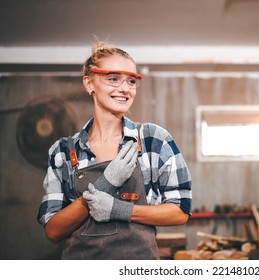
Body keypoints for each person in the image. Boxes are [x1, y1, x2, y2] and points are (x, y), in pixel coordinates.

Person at [37, 40, 192, 260]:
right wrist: (104, 186)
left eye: (131, 81)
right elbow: (53, 231)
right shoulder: (63, 151)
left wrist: (120, 209)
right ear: (89, 83)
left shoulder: (152, 140)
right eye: (113, 79)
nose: (124, 89)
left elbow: (180, 212)